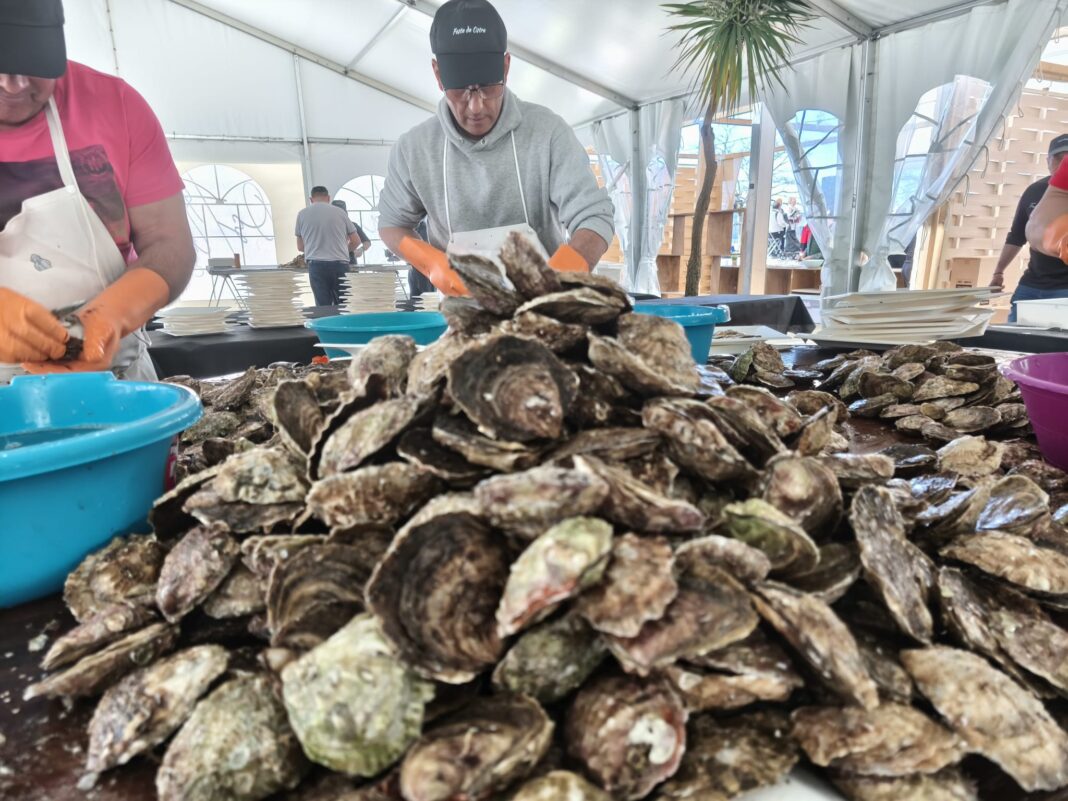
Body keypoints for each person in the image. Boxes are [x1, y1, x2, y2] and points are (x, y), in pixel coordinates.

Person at [0, 0, 194, 381]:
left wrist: (114, 313)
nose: (14, 84)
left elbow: (170, 243)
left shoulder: (117, 106)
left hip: (115, 376)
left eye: (33, 63)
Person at [377, 0, 614, 296]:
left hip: (544, 308)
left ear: (506, 67)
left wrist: (561, 275)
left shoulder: (548, 133)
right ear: (438, 75)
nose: (476, 106)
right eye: (460, 91)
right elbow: (392, 224)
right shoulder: (414, 149)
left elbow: (595, 215)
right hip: (461, 311)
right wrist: (431, 262)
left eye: (488, 88)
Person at [992, 134, 1068, 322]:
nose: (1063, 165)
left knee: (1055, 338)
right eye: (1059, 159)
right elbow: (1016, 236)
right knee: (1015, 334)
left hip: (1064, 288)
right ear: (1048, 160)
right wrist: (999, 271)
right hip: (1032, 283)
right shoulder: (1034, 190)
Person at [295, 186, 361, 306]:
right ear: (328, 198)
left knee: (323, 306)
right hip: (340, 264)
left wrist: (314, 249)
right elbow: (356, 241)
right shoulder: (340, 213)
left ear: (311, 199)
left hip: (316, 265)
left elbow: (300, 247)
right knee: (345, 305)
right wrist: (343, 251)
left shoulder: (302, 214)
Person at [330, 199, 372, 265]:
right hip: (331, 261)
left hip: (350, 261)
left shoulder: (353, 225)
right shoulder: (326, 227)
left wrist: (361, 249)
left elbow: (367, 242)